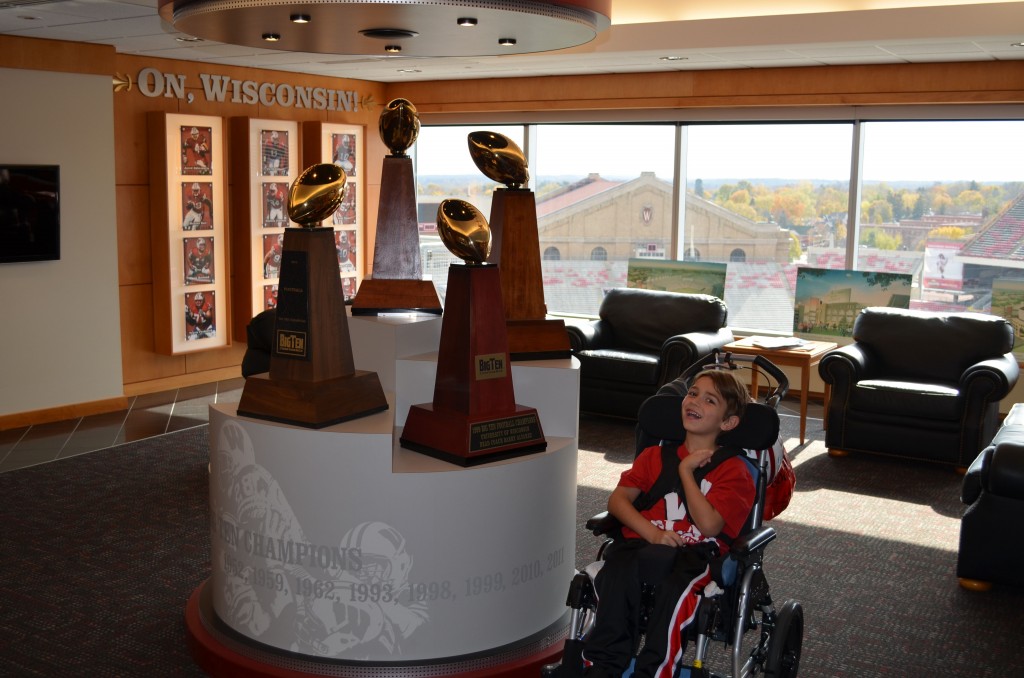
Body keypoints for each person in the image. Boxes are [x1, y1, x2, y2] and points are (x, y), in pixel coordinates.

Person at [581, 369, 755, 678]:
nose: (695, 401)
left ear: (728, 423)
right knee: (615, 574)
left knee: (677, 591)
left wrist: (687, 472)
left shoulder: (734, 471)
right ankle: (601, 669)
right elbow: (617, 502)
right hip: (641, 542)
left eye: (709, 399)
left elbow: (711, 526)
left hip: (696, 552)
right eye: (692, 393)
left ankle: (655, 672)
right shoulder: (653, 456)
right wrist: (653, 533)